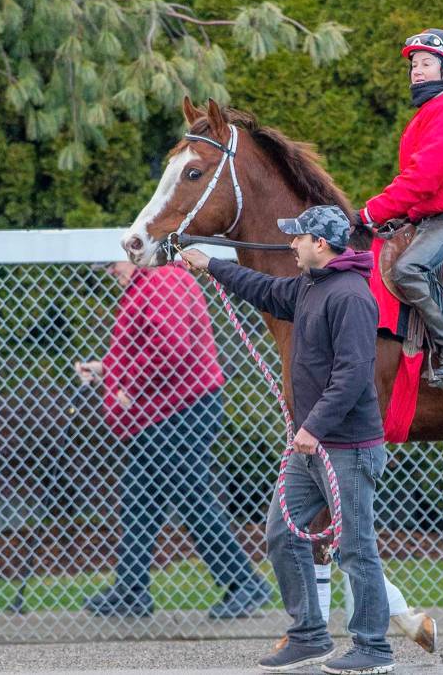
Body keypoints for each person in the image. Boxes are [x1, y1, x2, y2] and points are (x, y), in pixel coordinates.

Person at [181, 205, 395, 675]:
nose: (291, 244)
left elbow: (353, 374)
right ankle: (309, 636)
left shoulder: (351, 296)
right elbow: (265, 290)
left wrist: (312, 427)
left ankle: (374, 648)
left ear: (321, 243)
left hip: (346, 447)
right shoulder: (309, 287)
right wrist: (211, 264)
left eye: (298, 237)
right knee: (282, 533)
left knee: (355, 547)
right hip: (312, 447)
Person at [74, 261, 271, 620]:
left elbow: (171, 347)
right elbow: (148, 347)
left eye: (112, 263)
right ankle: (131, 590)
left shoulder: (164, 281)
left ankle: (245, 583)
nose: (109, 272)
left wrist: (129, 385)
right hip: (165, 412)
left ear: (138, 253)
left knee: (191, 498)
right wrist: (108, 369)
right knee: (139, 499)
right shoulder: (151, 285)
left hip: (181, 411)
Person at [356, 28, 443, 388]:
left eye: (426, 63)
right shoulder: (433, 110)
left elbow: (422, 179)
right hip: (435, 220)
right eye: (414, 65)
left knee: (409, 269)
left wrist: (369, 213)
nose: (416, 71)